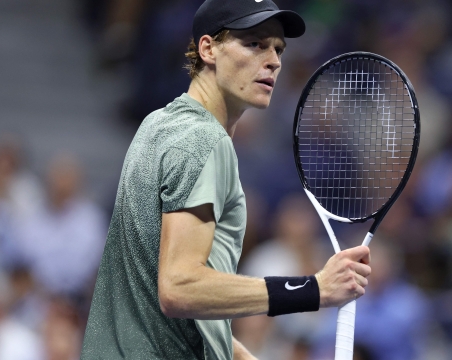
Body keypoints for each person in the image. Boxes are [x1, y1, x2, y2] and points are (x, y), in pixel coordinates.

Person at [81, 0, 372, 359]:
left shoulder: (158, 125)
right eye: (254, 44)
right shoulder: (205, 142)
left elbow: (154, 297)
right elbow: (179, 288)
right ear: (208, 49)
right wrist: (314, 289)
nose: (273, 61)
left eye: (278, 49)